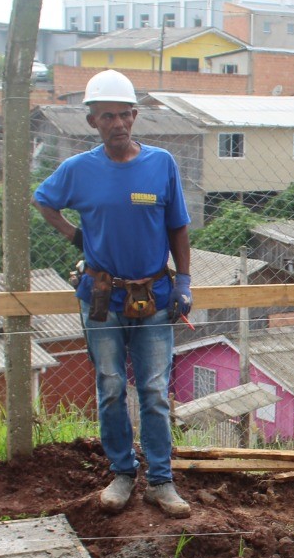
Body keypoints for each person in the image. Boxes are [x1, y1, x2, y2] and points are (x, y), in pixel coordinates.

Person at [34, 69, 194, 518]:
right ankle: (122, 473)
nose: (118, 124)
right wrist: (74, 236)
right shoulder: (79, 170)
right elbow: (43, 199)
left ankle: (160, 482)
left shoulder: (161, 164)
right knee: (109, 387)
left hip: (154, 296)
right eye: (107, 116)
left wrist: (183, 281)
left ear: (135, 115)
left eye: (125, 115)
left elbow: (178, 226)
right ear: (92, 122)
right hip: (103, 297)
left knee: (155, 390)